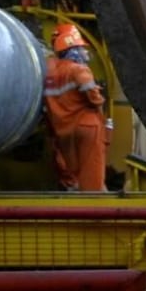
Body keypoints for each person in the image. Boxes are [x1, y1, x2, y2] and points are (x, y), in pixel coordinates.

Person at [43, 23, 108, 192]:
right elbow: (94, 98)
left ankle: (74, 198)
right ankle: (94, 208)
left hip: (63, 129)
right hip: (87, 126)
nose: (85, 52)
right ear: (73, 48)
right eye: (81, 48)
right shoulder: (79, 70)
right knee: (92, 171)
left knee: (73, 172)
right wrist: (100, 101)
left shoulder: (49, 70)